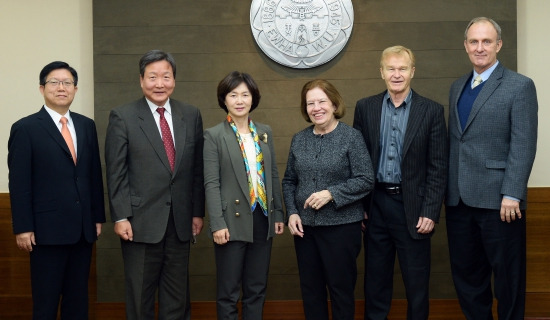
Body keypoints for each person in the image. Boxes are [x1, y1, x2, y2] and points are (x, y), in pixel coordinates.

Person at [446, 17, 538, 320]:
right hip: (459, 202)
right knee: (468, 279)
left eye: (487, 41)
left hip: (501, 202)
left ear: (499, 45)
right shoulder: (457, 85)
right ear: (465, 46)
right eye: (474, 41)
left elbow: (523, 144)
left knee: (508, 281)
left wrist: (512, 193)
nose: (480, 47)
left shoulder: (519, 86)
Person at [105, 50, 205, 320]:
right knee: (140, 296)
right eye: (152, 77)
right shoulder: (123, 116)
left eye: (166, 76)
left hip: (180, 223)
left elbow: (196, 170)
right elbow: (116, 172)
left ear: (174, 80)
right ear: (141, 80)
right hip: (139, 222)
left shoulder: (191, 114)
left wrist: (197, 212)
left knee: (177, 297)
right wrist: (121, 215)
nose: (159, 83)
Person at [353, 45, 448, 320]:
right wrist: (360, 206)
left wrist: (430, 211)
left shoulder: (430, 110)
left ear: (412, 72)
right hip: (376, 205)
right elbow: (357, 162)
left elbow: (438, 165)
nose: (397, 74)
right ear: (381, 72)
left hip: (414, 207)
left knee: (417, 284)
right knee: (375, 281)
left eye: (402, 69)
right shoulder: (365, 107)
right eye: (391, 69)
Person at [8, 61, 105, 319]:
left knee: (77, 301)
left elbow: (93, 174)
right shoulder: (26, 128)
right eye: (54, 82)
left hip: (83, 231)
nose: (61, 88)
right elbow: (19, 183)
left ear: (75, 88)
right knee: (46, 302)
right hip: (45, 232)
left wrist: (96, 216)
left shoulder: (86, 125)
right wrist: (23, 226)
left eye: (67, 83)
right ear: (42, 88)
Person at [282, 79, 374, 320]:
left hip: (341, 228)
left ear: (334, 104)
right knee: (311, 291)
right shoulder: (299, 139)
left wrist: (331, 193)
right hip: (305, 230)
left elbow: (366, 179)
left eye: (322, 101)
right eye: (310, 103)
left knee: (341, 291)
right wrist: (292, 212)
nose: (316, 107)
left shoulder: (351, 137)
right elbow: (289, 181)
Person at [204, 71, 285, 319]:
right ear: (224, 100)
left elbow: (271, 175)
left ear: (253, 98)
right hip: (231, 222)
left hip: (262, 218)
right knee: (229, 292)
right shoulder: (214, 135)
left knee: (257, 288)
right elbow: (211, 182)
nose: (240, 100)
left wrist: (279, 212)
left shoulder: (264, 132)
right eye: (233, 94)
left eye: (245, 94)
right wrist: (217, 223)